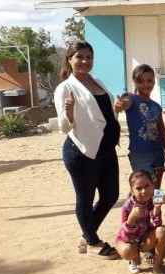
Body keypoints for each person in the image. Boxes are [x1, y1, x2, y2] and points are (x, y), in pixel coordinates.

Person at [54, 40, 120, 259]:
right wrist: (69, 111)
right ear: (69, 59)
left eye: (89, 57)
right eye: (79, 57)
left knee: (111, 195)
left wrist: (117, 108)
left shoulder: (97, 81)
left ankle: (86, 234)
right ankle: (92, 241)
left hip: (106, 150)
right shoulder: (65, 88)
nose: (84, 61)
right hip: (82, 151)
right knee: (85, 198)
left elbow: (102, 114)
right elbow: (64, 127)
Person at [114, 64, 165, 188]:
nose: (146, 84)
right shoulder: (132, 99)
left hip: (158, 153)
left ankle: (157, 208)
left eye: (149, 80)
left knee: (156, 190)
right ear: (134, 82)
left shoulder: (156, 106)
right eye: (140, 81)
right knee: (141, 190)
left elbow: (162, 132)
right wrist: (120, 105)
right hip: (140, 154)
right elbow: (125, 102)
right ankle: (131, 208)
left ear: (154, 82)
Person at [115, 170, 165, 274]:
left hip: (145, 241)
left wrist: (157, 208)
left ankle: (157, 266)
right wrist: (131, 218)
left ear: (153, 185)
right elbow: (125, 237)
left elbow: (156, 226)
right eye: (139, 188)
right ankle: (135, 259)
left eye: (147, 186)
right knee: (127, 251)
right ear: (132, 191)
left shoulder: (154, 200)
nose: (144, 191)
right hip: (131, 241)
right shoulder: (127, 206)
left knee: (162, 230)